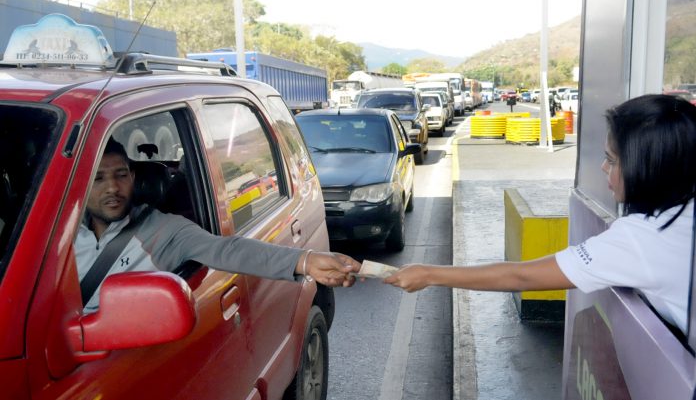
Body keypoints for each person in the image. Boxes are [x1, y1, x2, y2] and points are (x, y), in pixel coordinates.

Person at [385, 94, 696, 334]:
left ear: (650, 168)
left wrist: (428, 274)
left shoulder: (641, 239)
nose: (604, 168)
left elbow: (521, 275)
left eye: (612, 160)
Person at [76, 138, 361, 312]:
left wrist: (306, 261)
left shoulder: (163, 230)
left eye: (120, 175)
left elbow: (227, 250)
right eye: (98, 178)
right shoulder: (59, 237)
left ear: (134, 177)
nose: (112, 187)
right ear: (79, 183)